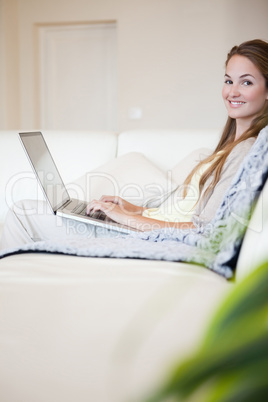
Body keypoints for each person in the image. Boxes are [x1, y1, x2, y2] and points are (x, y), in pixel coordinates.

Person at [1, 39, 268, 250]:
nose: (232, 91)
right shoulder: (228, 147)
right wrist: (131, 208)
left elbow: (204, 232)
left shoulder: (247, 151)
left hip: (149, 236)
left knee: (23, 212)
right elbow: (180, 211)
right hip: (143, 224)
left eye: (246, 82)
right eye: (228, 80)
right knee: (32, 210)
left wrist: (123, 219)